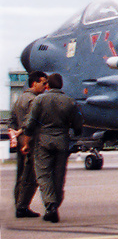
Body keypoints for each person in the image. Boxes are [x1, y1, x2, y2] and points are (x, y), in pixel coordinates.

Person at [24, 73, 83, 223]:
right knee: (59, 175)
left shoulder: (39, 100)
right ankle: (55, 204)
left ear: (48, 85)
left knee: (43, 174)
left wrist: (27, 139)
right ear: (61, 85)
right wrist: (74, 132)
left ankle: (50, 205)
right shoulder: (69, 101)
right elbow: (78, 126)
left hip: (43, 141)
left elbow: (30, 123)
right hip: (62, 141)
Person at [10, 71, 47, 218]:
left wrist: (15, 134)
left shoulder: (20, 98)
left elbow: (12, 120)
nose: (45, 86)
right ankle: (22, 206)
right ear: (34, 83)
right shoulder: (34, 101)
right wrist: (23, 134)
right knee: (31, 176)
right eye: (43, 83)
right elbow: (30, 122)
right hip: (30, 141)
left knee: (20, 175)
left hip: (20, 141)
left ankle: (18, 204)